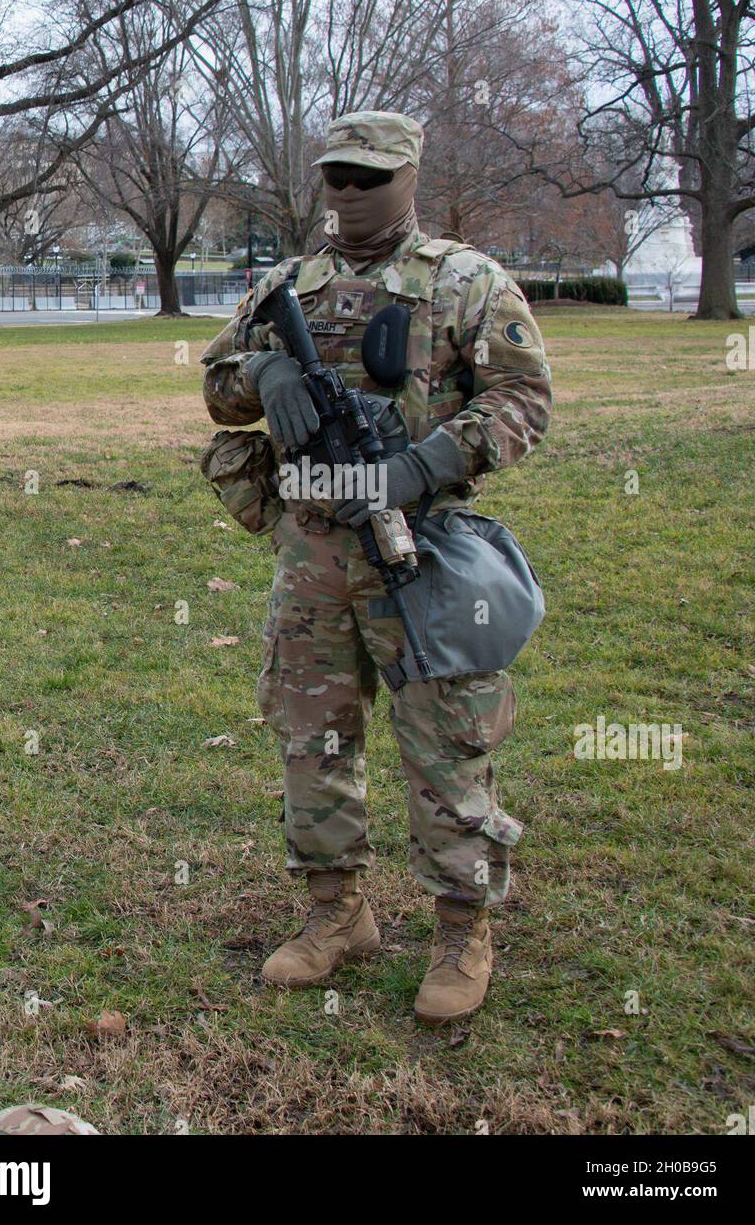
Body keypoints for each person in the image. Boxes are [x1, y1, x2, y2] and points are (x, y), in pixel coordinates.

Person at [200, 111, 551, 1024]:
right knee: (312, 732)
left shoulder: (467, 280)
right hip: (311, 544)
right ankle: (335, 914)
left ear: (408, 175)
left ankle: (460, 927)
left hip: (418, 547)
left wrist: (421, 466)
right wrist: (264, 377)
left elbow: (523, 401)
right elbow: (216, 385)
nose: (350, 192)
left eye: (370, 176)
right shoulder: (286, 284)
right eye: (337, 176)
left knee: (446, 739)